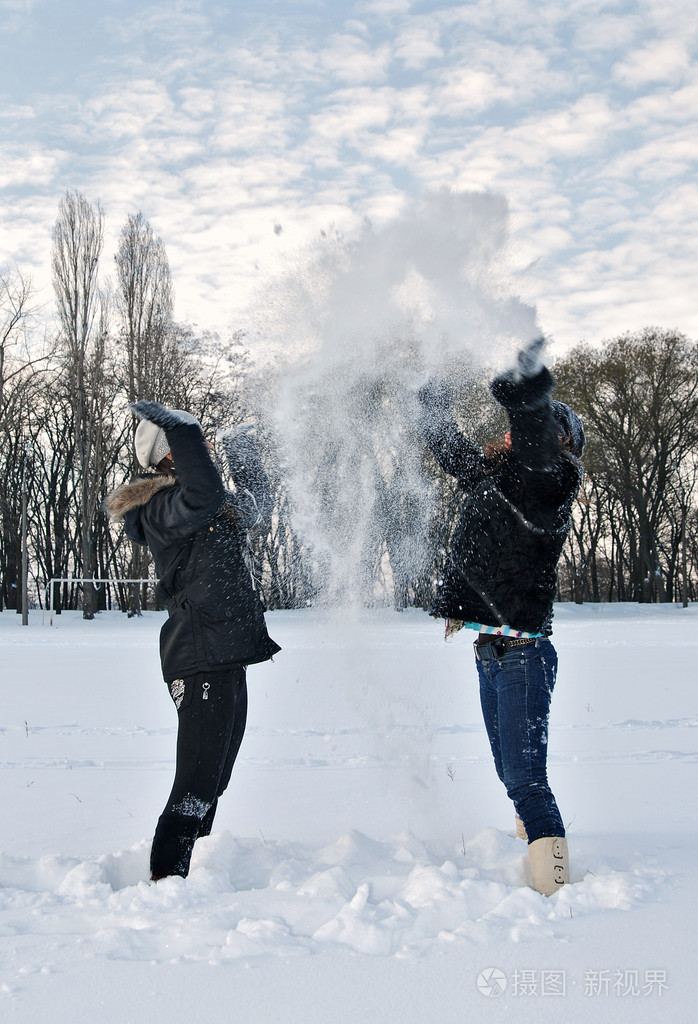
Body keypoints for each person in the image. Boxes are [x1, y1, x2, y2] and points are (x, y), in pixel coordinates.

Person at [417, 339, 585, 896]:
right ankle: (532, 848)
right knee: (512, 776)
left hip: (524, 655)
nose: (514, 436)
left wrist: (529, 391)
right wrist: (427, 392)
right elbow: (448, 448)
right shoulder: (498, 479)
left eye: (535, 431)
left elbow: (537, 439)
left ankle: (556, 890)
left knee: (526, 780)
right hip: (491, 652)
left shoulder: (548, 483)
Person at [105, 401, 280, 881]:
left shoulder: (206, 509)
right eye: (193, 443)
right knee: (197, 782)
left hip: (225, 655)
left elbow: (255, 504)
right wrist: (183, 429)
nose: (204, 448)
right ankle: (166, 881)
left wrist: (243, 450)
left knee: (214, 779)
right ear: (170, 454)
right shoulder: (164, 507)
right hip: (198, 655)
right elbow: (204, 491)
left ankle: (188, 877)